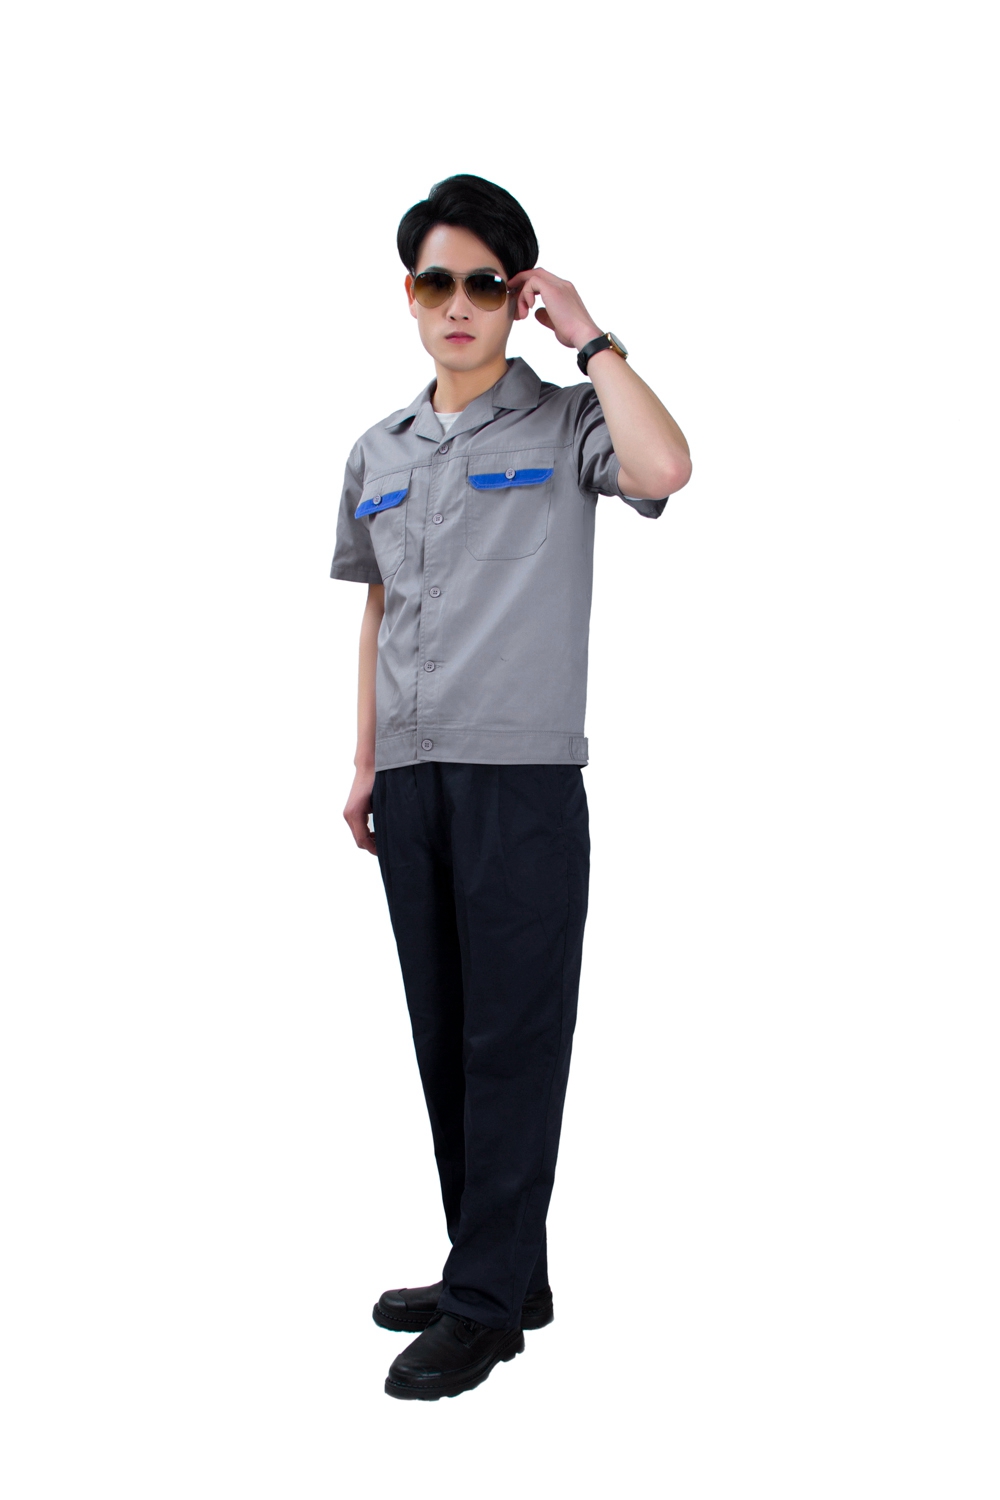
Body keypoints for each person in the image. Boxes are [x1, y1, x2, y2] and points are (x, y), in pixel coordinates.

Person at [330, 174, 692, 1401]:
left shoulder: (569, 419)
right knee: (446, 1035)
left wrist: (588, 335)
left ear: (515, 296)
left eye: (485, 283)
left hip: (519, 779)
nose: (459, 304)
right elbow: (379, 607)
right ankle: (495, 1270)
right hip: (413, 776)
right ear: (410, 294)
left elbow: (667, 465)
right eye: (437, 280)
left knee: (512, 1041)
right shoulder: (377, 449)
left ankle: (487, 1306)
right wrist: (366, 761)